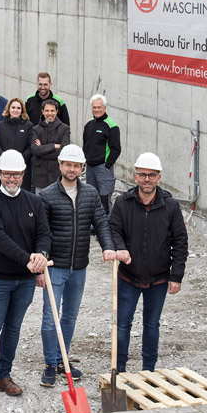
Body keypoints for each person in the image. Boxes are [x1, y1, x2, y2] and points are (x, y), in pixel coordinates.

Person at [0, 149, 50, 405]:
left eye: (15, 174)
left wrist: (41, 254)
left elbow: (44, 234)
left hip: (24, 281)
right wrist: (30, 260)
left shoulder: (34, 202)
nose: (11, 179)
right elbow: (0, 240)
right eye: (6, 174)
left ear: (23, 174)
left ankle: (3, 376)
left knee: (13, 329)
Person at [36, 144, 117, 387]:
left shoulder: (90, 193)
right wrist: (41, 264)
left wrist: (108, 247)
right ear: (60, 165)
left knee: (70, 316)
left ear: (82, 168)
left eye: (76, 165)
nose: (72, 169)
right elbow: (41, 232)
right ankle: (50, 363)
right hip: (54, 267)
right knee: (51, 318)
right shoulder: (47, 195)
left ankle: (63, 359)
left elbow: (101, 223)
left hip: (79, 266)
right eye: (68, 165)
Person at [108, 152, 188, 372]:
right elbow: (113, 229)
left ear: (159, 178)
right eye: (143, 175)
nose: (147, 179)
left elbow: (180, 241)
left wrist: (176, 275)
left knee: (152, 324)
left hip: (158, 278)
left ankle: (148, 371)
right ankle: (120, 369)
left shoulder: (170, 206)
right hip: (127, 276)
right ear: (135, 177)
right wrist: (120, 247)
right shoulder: (123, 203)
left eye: (152, 175)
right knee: (122, 325)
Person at [83, 94, 121, 215]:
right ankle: (94, 225)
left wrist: (107, 165)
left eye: (99, 107)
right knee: (92, 198)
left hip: (103, 169)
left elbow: (116, 149)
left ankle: (107, 226)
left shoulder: (111, 125)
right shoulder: (89, 124)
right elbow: (86, 144)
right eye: (94, 107)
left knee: (104, 199)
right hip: (90, 168)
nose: (96, 110)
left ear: (105, 107)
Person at [0, 98, 33, 191]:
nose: (15, 110)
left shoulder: (28, 126)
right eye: (13, 107)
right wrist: (4, 157)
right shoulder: (0, 125)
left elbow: (30, 146)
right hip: (3, 166)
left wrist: (20, 158)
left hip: (21, 167)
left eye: (18, 108)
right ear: (8, 109)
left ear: (22, 110)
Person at [31, 101, 70, 191]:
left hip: (57, 173)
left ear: (56, 111)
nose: (49, 113)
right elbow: (35, 150)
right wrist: (54, 146)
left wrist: (42, 149)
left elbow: (64, 151)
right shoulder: (36, 129)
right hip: (40, 175)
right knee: (41, 203)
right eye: (47, 110)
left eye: (52, 110)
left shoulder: (64, 128)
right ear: (42, 111)